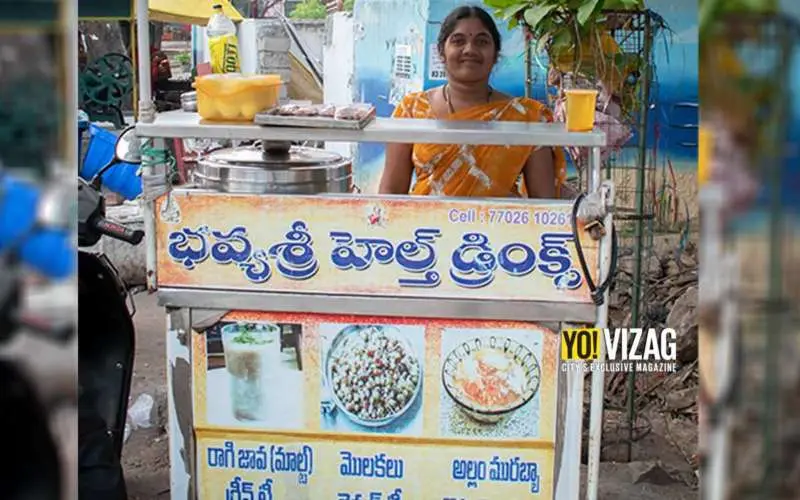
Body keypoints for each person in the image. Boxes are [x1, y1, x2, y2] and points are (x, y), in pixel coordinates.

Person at [380, 5, 567, 198]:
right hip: (425, 226)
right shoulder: (412, 110)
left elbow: (544, 205)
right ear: (441, 52)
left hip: (499, 226)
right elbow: (390, 193)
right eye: (458, 41)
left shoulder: (527, 117)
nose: (469, 49)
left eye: (482, 42)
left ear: (495, 55)